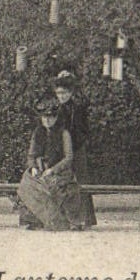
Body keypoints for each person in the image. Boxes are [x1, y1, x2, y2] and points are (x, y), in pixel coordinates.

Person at [16, 96, 86, 231]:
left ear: (56, 118)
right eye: (44, 117)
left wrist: (53, 170)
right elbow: (31, 155)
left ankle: (58, 221)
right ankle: (35, 220)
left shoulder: (64, 134)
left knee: (52, 185)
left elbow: (68, 158)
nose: (47, 120)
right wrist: (33, 168)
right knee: (27, 183)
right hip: (41, 169)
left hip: (60, 171)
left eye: (50, 117)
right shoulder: (37, 133)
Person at [53, 69, 97, 228]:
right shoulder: (56, 110)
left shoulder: (78, 107)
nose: (61, 96)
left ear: (71, 92)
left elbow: (84, 128)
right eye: (58, 93)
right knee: (62, 181)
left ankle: (85, 219)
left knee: (81, 182)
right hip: (62, 151)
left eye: (64, 93)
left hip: (77, 148)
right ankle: (65, 218)